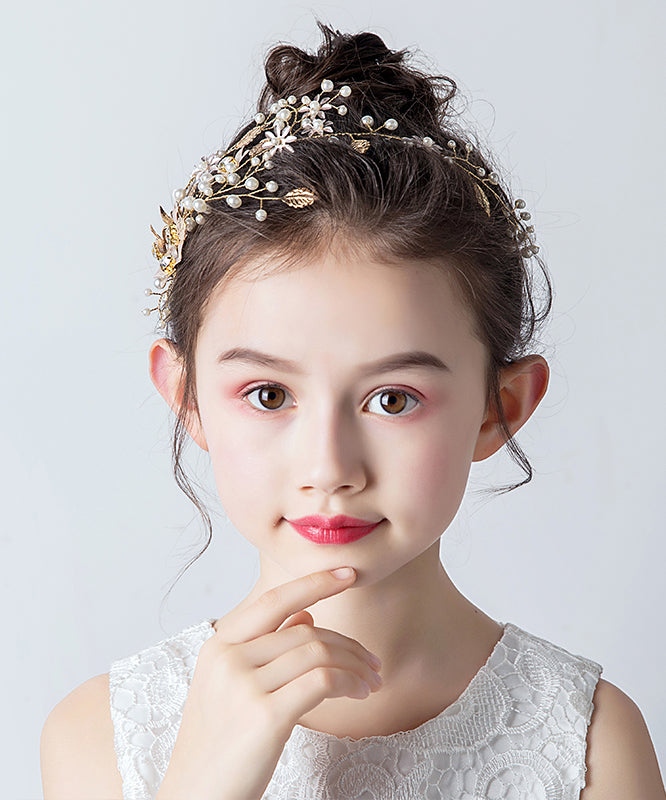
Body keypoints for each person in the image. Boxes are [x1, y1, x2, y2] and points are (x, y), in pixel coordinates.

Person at [40, 22, 665, 800]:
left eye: (392, 399)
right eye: (268, 396)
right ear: (187, 397)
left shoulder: (589, 743)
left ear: (498, 409)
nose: (329, 468)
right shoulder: (103, 736)